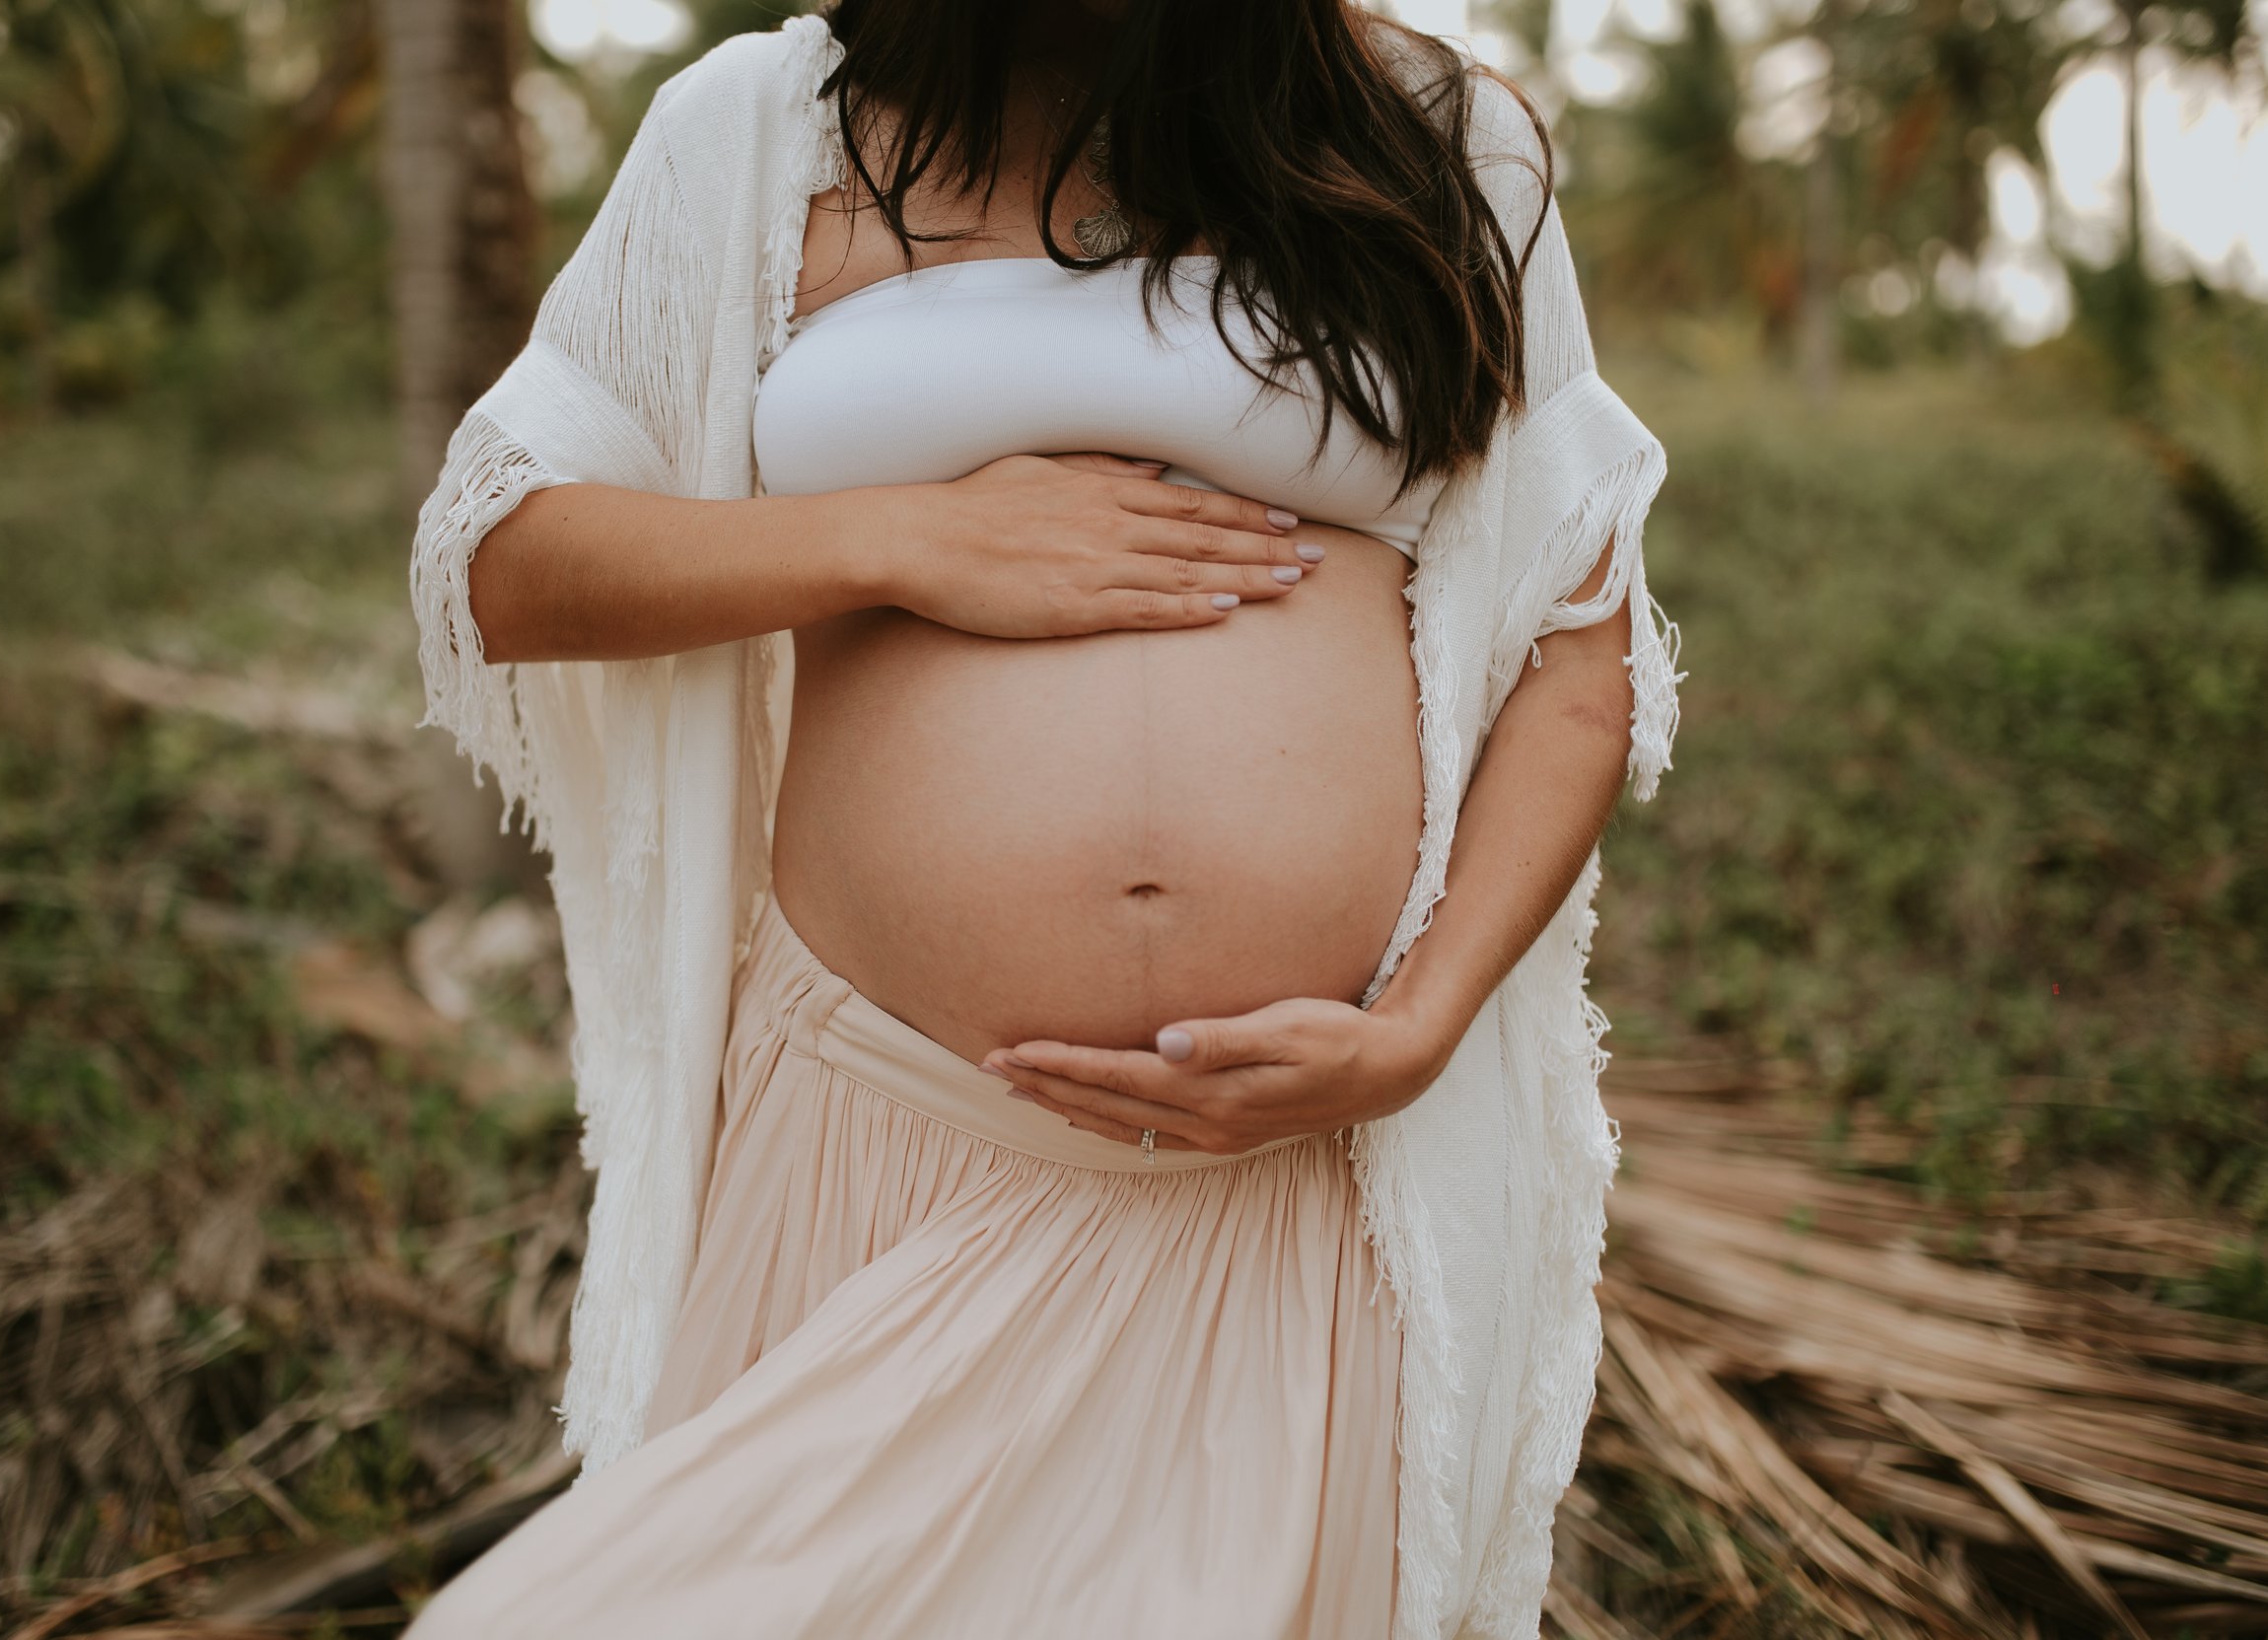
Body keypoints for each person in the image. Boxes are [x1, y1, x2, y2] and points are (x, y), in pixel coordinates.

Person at [401, 1, 1677, 1633]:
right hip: (889, 1151)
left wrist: (1419, 1029)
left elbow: (1584, 645)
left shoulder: (1431, 139)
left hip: (1284, 1190)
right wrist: (903, 543)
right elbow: (506, 558)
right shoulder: (765, 134)